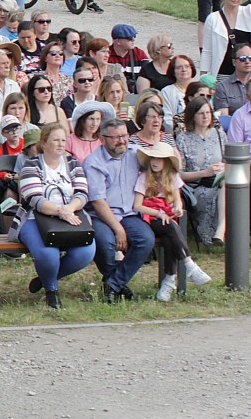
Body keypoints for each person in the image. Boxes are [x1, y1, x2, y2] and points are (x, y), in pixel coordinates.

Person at [13, 124, 95, 309]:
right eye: (56, 140)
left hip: (70, 214)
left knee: (85, 252)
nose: (61, 144)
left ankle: (44, 279)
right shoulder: (31, 164)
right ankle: (51, 290)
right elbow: (34, 198)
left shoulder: (73, 163)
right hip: (35, 218)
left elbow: (82, 193)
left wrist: (69, 209)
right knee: (48, 255)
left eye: (63, 140)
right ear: (43, 143)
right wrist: (60, 211)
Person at [83, 118, 156, 302]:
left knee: (146, 239)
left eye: (124, 136)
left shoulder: (136, 153)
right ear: (102, 139)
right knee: (105, 242)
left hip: (129, 213)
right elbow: (98, 202)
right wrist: (118, 229)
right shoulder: (93, 162)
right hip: (100, 215)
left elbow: (160, 166)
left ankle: (113, 284)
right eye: (115, 137)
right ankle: (116, 284)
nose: (122, 141)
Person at [133, 142, 212, 301]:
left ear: (167, 162)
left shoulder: (173, 177)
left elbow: (178, 201)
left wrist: (177, 208)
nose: (155, 162)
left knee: (170, 237)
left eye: (159, 159)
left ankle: (169, 281)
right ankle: (189, 265)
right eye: (153, 158)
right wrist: (158, 213)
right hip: (149, 217)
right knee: (170, 226)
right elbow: (137, 206)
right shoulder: (144, 177)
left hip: (167, 217)